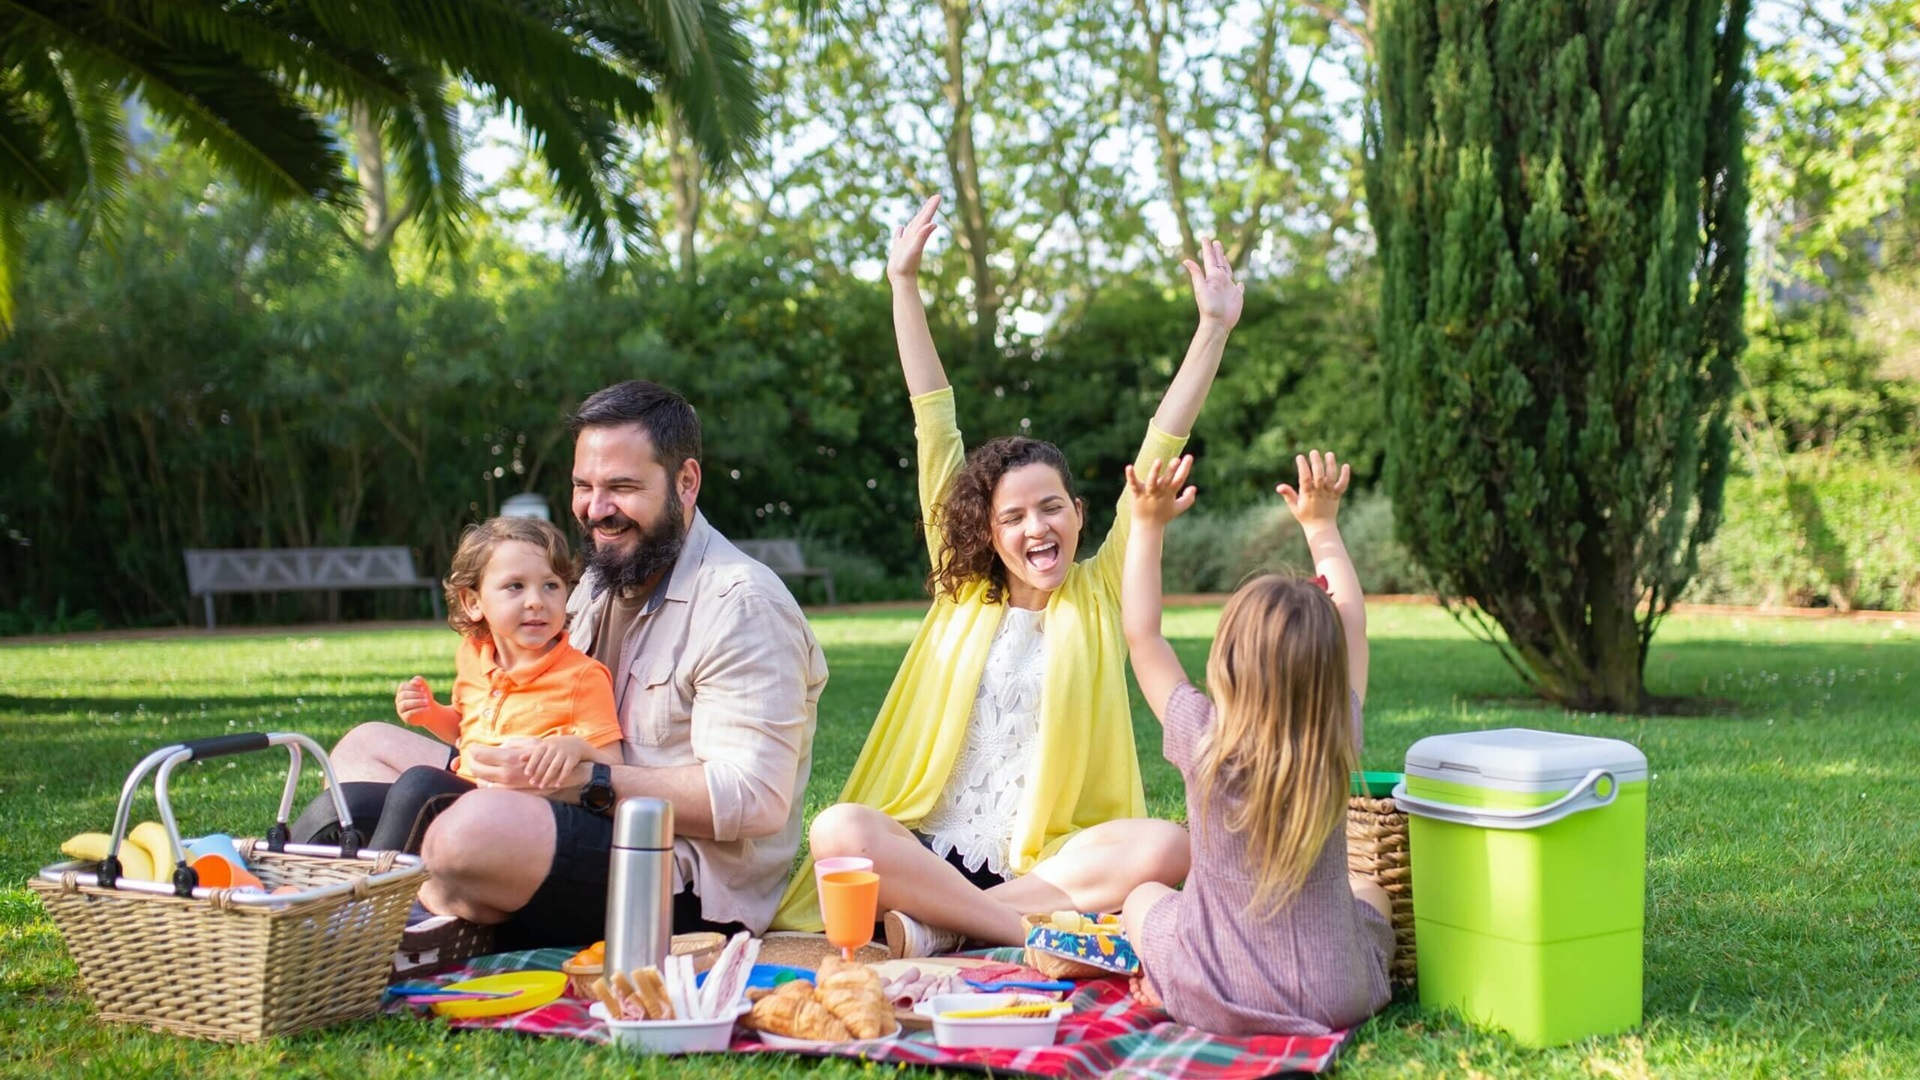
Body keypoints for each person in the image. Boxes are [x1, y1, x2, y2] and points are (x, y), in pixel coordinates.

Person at [774, 193, 1242, 957]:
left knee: (1167, 846)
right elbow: (934, 417)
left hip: (1046, 866)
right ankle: (1017, 933)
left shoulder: (1100, 592)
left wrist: (1212, 328)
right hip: (927, 848)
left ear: (1081, 514)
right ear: (987, 533)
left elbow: (1162, 445)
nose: (1036, 528)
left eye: (1051, 508)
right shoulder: (962, 587)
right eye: (1014, 517)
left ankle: (937, 928)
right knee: (839, 829)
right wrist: (903, 284)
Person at [298, 380, 828, 949]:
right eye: (583, 486)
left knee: (465, 834)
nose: (597, 511)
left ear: (686, 482)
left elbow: (755, 799)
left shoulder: (741, 603)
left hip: (674, 876)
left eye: (622, 487)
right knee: (363, 749)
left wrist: (591, 781)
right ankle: (350, 904)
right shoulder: (599, 579)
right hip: (557, 801)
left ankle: (405, 916)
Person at [1118, 450, 1393, 1036]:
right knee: (1369, 889)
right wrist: (1321, 527)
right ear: (1328, 670)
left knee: (1142, 898)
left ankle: (1162, 984)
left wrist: (1147, 527)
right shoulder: (1336, 731)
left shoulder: (1202, 736)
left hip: (1211, 990)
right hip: (1334, 994)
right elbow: (1353, 625)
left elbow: (1143, 638)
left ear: (1228, 660)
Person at [303, 516, 627, 855]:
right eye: (515, 586)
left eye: (551, 585)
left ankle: (373, 895)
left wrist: (574, 748)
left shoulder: (581, 676)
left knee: (420, 785)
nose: (536, 600)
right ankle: (287, 882)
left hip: (524, 816)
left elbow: (612, 761)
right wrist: (431, 714)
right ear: (473, 602)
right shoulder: (474, 655)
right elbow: (465, 729)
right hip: (467, 791)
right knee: (348, 800)